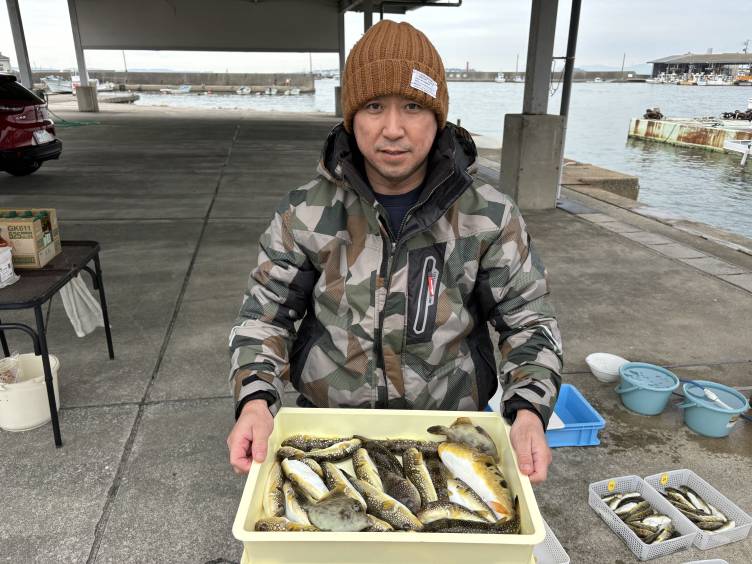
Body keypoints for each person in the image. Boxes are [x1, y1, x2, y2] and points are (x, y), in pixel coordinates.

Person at [227, 20, 563, 484]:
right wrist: (254, 399)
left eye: (412, 107)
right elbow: (263, 318)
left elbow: (529, 322)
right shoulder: (303, 212)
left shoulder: (490, 215)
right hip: (329, 434)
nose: (392, 129)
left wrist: (528, 411)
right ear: (351, 118)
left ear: (438, 117)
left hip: (448, 438)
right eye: (373, 107)